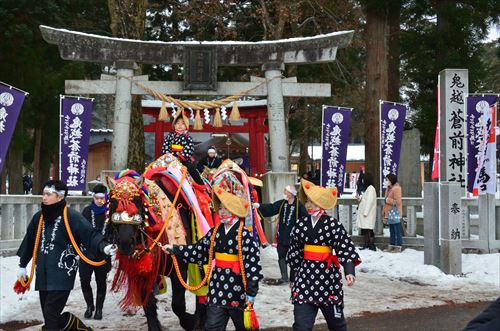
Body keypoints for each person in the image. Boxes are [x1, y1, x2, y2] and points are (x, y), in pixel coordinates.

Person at [16, 180, 116, 331]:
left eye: (49, 194)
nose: (44, 197)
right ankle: (76, 326)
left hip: (63, 273)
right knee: (51, 316)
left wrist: (104, 246)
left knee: (50, 312)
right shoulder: (39, 217)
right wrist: (22, 265)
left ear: (60, 197)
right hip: (43, 274)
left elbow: (89, 234)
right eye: (43, 194)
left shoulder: (71, 216)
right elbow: (30, 241)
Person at [163, 187, 263, 331]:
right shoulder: (215, 231)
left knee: (245, 327)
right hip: (218, 288)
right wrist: (175, 249)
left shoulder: (245, 235)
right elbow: (199, 250)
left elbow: (253, 267)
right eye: (220, 208)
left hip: (239, 290)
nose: (222, 212)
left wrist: (251, 293)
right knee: (212, 327)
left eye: (226, 209)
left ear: (234, 210)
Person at [287, 179, 361, 331]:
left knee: (337, 326)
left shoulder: (333, 225)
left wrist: (349, 271)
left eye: (313, 202)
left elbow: (344, 247)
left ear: (321, 204)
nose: (308, 205)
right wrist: (293, 278)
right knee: (301, 326)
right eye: (307, 201)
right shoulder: (300, 224)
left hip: (327, 279)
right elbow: (295, 254)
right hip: (305, 278)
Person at [254, 185, 308, 284]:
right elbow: (272, 207)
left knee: (294, 257)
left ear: (291, 194)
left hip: (293, 237)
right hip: (283, 235)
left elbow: (305, 219)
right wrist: (260, 206)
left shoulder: (299, 205)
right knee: (281, 256)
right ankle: (284, 277)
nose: (285, 193)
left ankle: (293, 278)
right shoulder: (282, 203)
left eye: (286, 192)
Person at [79, 184, 111, 320]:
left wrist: (110, 245)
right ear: (93, 197)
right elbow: (79, 230)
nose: (99, 201)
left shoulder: (109, 213)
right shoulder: (86, 211)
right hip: (86, 252)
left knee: (101, 281)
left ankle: (99, 309)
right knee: (84, 281)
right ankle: (89, 306)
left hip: (103, 253)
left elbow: (112, 232)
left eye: (102, 198)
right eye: (97, 198)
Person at [161, 109, 204, 185]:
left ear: (186, 126)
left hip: (183, 160)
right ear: (174, 125)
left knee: (191, 168)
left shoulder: (188, 137)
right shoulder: (169, 136)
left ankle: (201, 185)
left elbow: (189, 149)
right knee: (157, 167)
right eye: (177, 123)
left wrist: (180, 156)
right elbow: (165, 147)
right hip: (169, 160)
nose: (180, 125)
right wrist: (170, 156)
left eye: (183, 123)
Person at [356, 173, 377, 251]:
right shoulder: (368, 188)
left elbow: (369, 202)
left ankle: (371, 245)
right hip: (366, 212)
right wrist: (359, 198)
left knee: (369, 229)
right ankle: (367, 244)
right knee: (366, 229)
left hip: (368, 213)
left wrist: (365, 212)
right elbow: (365, 200)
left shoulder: (371, 188)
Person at [383, 173, 403, 252]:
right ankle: (392, 245)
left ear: (391, 180)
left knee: (396, 230)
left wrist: (388, 200)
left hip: (395, 212)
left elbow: (398, 201)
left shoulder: (396, 188)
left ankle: (398, 246)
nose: (386, 181)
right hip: (390, 212)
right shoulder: (389, 188)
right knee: (391, 230)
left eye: (387, 180)